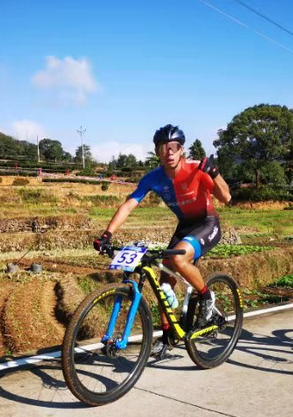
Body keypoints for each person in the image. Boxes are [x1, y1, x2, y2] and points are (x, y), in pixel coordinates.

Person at [93, 124, 231, 357]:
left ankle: (207, 297)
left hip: (207, 223)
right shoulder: (153, 178)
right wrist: (107, 234)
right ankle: (167, 336)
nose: (168, 152)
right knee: (164, 284)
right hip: (185, 226)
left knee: (178, 259)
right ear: (157, 152)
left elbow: (226, 197)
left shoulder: (197, 169)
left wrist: (214, 172)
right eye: (162, 148)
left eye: (173, 147)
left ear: (181, 150)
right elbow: (129, 204)